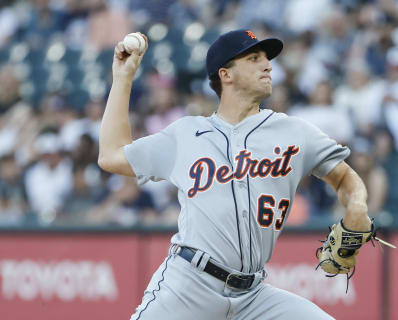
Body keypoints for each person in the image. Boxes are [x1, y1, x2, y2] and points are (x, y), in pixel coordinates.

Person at [98, 29, 372, 320]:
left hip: (254, 297)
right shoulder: (186, 134)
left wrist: (357, 205)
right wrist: (123, 78)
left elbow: (345, 178)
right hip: (189, 287)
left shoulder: (295, 132)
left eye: (267, 58)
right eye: (254, 58)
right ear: (225, 74)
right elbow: (112, 155)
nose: (267, 65)